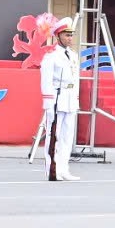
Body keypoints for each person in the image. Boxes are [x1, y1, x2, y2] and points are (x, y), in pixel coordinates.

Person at [40, 19, 83, 182]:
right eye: (66, 35)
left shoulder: (73, 55)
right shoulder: (51, 55)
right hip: (57, 98)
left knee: (67, 136)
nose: (70, 38)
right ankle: (53, 170)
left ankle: (64, 169)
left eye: (71, 35)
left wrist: (76, 99)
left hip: (70, 98)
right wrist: (48, 102)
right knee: (54, 136)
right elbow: (46, 80)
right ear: (58, 36)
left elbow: (76, 79)